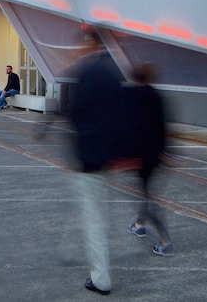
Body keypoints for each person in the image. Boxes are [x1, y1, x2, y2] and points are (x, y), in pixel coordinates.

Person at [68, 29, 127, 296]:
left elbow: (76, 115)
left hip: (91, 157)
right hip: (106, 158)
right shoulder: (113, 72)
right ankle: (98, 274)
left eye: (81, 45)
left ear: (91, 44)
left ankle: (100, 278)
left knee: (94, 221)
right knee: (99, 216)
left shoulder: (88, 73)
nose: (77, 50)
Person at [124, 63, 173, 256]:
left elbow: (129, 128)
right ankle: (139, 224)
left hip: (140, 155)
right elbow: (163, 127)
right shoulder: (157, 96)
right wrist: (165, 153)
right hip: (155, 155)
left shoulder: (132, 97)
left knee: (147, 196)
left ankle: (165, 240)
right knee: (146, 191)